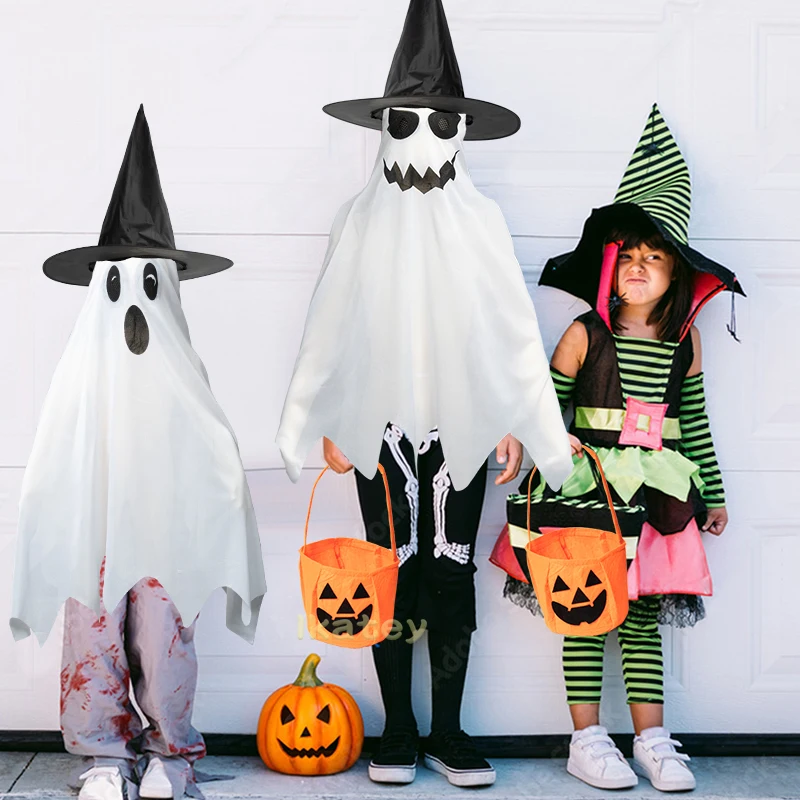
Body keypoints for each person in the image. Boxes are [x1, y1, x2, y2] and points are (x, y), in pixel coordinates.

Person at [278, 0, 572, 788]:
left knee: (450, 570)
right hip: (380, 429)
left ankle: (447, 728)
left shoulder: (481, 222)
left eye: (439, 124)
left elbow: (505, 325)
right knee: (387, 570)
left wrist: (516, 417)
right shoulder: (358, 221)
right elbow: (332, 324)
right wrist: (326, 419)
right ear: (382, 130)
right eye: (405, 122)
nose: (421, 141)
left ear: (462, 134)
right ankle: (398, 730)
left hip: (464, 428)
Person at [10, 106, 266, 800]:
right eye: (119, 282)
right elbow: (56, 450)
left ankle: (170, 753)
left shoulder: (184, 371)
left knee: (164, 632)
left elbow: (214, 450)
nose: (133, 303)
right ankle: (102, 754)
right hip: (94, 523)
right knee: (93, 631)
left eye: (148, 282)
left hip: (166, 529)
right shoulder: (81, 369)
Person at [502, 104, 743, 792]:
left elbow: (694, 422)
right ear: (609, 267)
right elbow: (545, 406)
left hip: (660, 495)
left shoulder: (682, 344)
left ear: (677, 275)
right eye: (628, 255)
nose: (639, 266)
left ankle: (652, 740)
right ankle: (587, 739)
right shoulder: (584, 334)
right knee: (585, 611)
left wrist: (715, 494)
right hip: (587, 490)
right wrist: (550, 457)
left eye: (655, 257)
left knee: (640, 620)